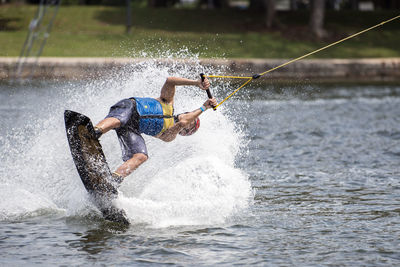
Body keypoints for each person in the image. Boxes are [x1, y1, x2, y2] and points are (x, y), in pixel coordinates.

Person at [94, 76, 216, 186]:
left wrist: (204, 108)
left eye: (191, 124)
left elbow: (183, 122)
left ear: (184, 133)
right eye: (191, 117)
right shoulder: (168, 102)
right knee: (119, 120)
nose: (189, 120)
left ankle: (114, 179)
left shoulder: (169, 135)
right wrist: (196, 83)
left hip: (131, 129)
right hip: (129, 107)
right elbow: (170, 81)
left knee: (141, 156)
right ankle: (95, 131)